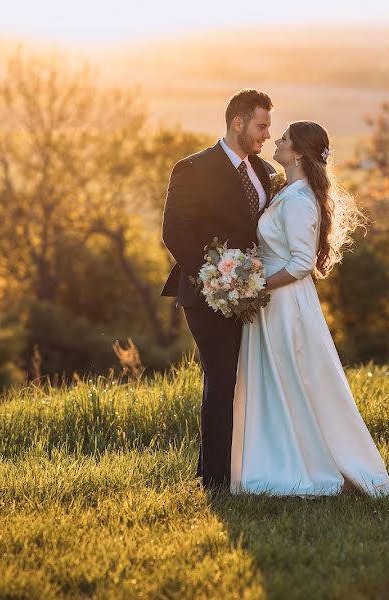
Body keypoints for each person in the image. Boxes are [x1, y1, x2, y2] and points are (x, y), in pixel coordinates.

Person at [230, 121, 389, 497]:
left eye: (285, 138)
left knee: (294, 377)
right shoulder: (288, 192)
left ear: (299, 152)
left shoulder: (301, 200)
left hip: (285, 303)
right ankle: (280, 456)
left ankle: (312, 465)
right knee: (278, 380)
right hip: (272, 301)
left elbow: (302, 262)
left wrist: (255, 286)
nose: (278, 141)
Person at [161, 89, 277, 491]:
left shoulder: (264, 172)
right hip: (206, 293)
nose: (266, 135)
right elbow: (175, 232)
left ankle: (248, 469)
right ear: (238, 122)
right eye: (261, 126)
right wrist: (215, 279)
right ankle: (214, 478)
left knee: (249, 380)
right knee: (222, 378)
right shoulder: (192, 168)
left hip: (253, 296)